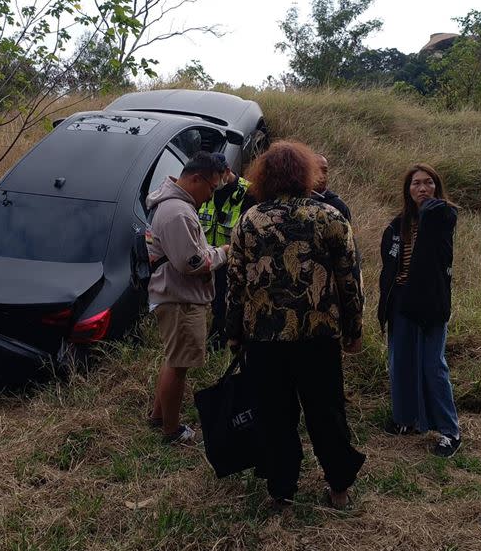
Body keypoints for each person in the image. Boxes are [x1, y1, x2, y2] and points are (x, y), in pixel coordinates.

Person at [225, 139, 366, 509]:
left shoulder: (248, 221)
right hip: (318, 336)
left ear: (264, 176)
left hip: (264, 338)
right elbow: (349, 279)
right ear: (305, 173)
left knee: (274, 415)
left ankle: (281, 490)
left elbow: (236, 284)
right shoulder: (330, 217)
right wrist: (353, 330)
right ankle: (339, 488)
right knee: (327, 412)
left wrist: (234, 334)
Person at [377, 163, 462, 458]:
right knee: (400, 362)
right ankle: (406, 419)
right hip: (400, 301)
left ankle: (450, 431)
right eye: (416, 184)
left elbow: (440, 217)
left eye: (428, 183)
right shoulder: (397, 224)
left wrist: (426, 210)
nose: (422, 189)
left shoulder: (441, 215)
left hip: (430, 302)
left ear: (436, 187)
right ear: (407, 189)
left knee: (432, 366)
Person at [146, 151, 231, 444]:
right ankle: (172, 431)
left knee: (174, 360)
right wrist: (223, 253)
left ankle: (159, 416)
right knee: (178, 365)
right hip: (180, 298)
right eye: (211, 187)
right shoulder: (177, 212)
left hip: (176, 294)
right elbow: (191, 263)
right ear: (196, 178)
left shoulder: (177, 207)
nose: (211, 195)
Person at [198, 164, 256, 349]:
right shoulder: (207, 187)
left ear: (227, 170)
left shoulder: (248, 192)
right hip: (209, 256)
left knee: (227, 300)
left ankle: (221, 340)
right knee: (214, 299)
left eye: (218, 176)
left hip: (233, 257)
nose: (215, 183)